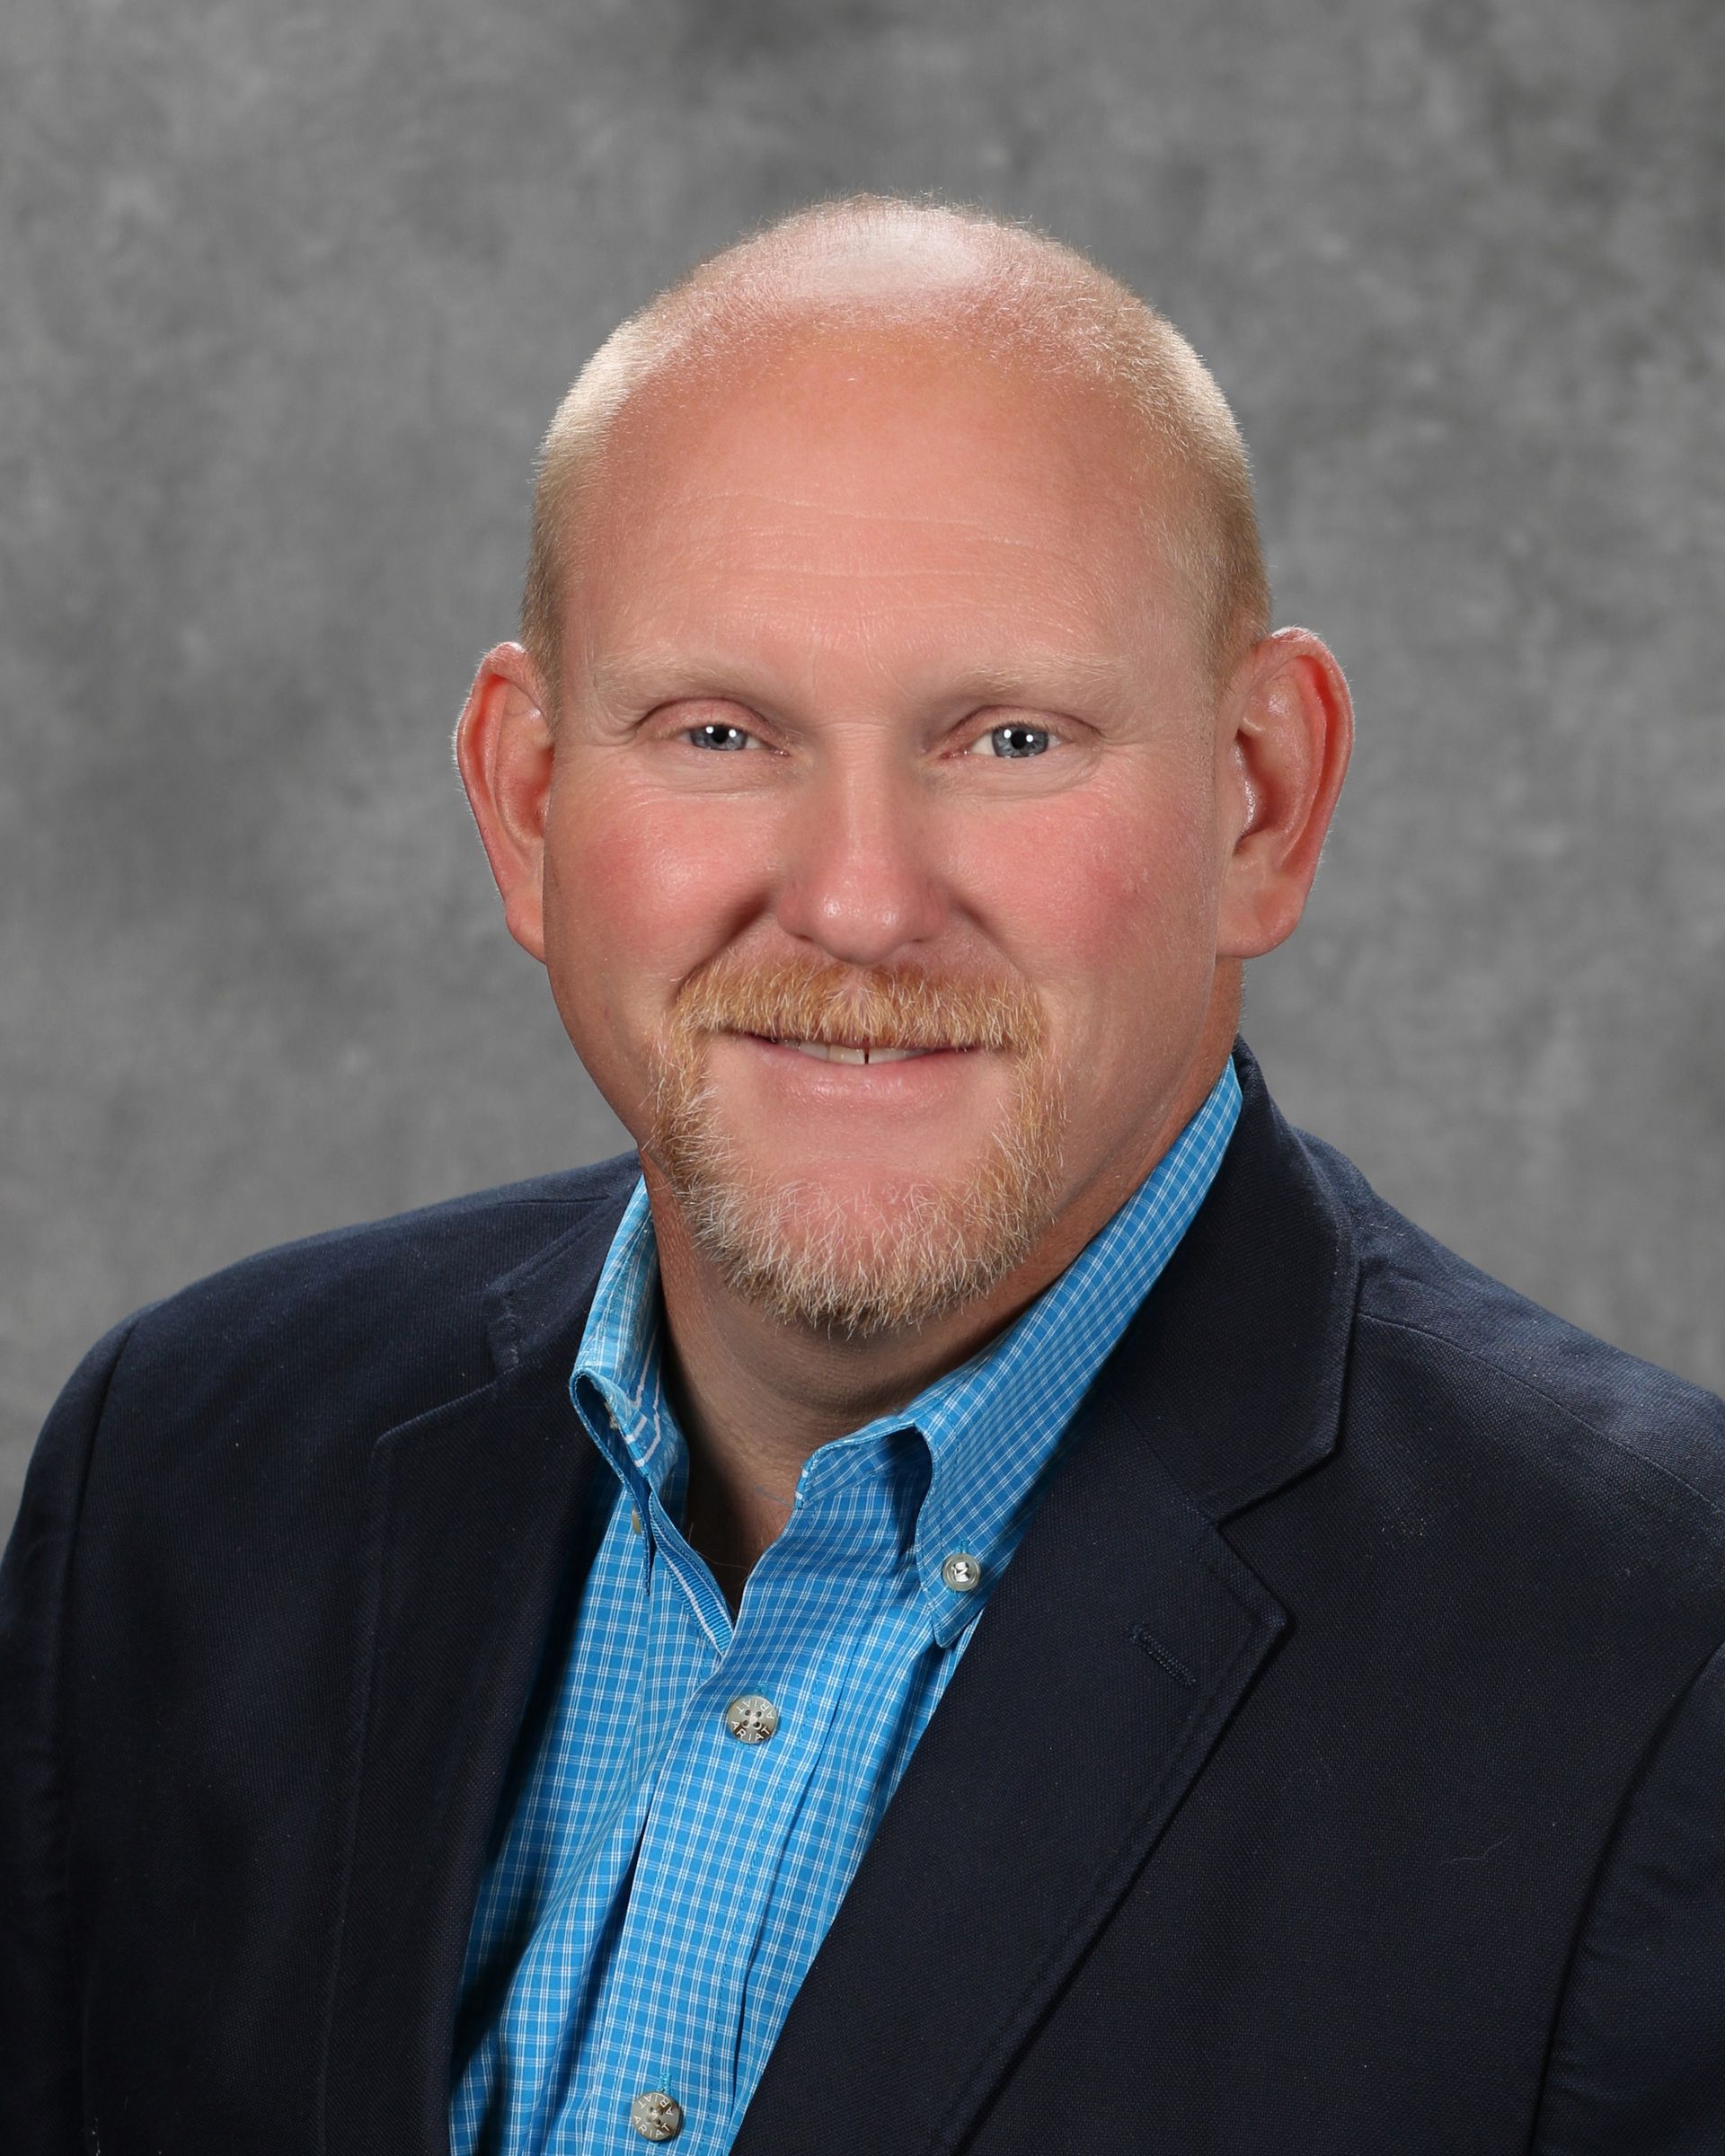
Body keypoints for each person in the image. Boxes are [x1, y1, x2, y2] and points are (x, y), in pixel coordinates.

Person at [3, 194, 1722, 2156]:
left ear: (1263, 796)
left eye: (1008, 735)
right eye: (719, 728)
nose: (857, 898)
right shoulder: (190, 1473)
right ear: (527, 803)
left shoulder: (1662, 1666)